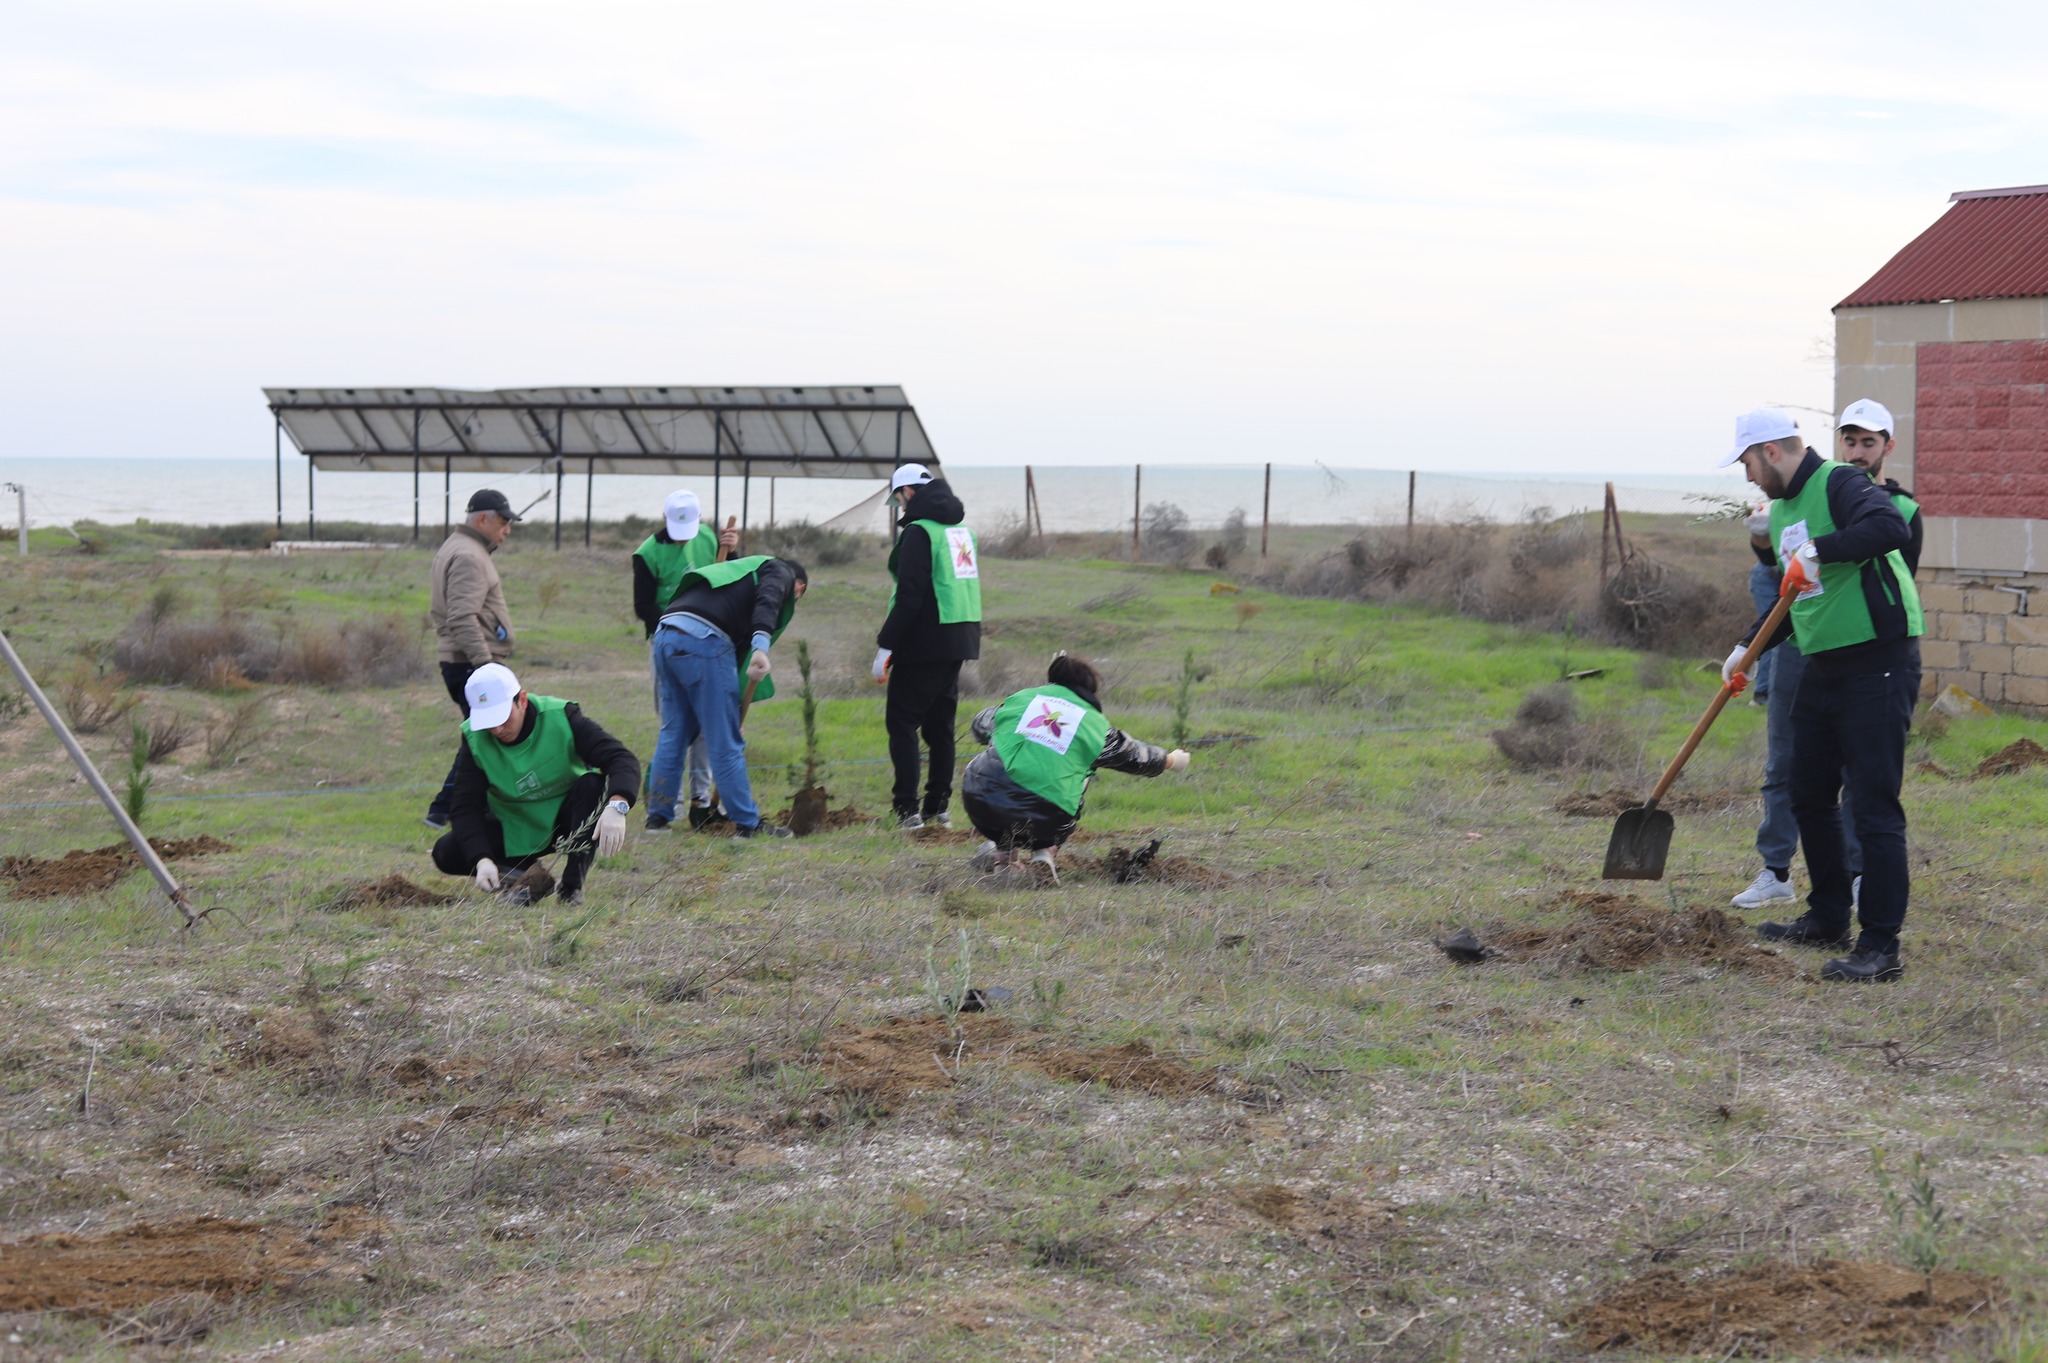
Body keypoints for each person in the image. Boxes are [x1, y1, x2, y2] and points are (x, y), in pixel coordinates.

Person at [1718, 408, 1922, 982]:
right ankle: (1829, 914)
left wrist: (1820, 551)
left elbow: (1890, 529)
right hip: (1824, 663)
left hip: (1879, 661)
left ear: (1774, 451)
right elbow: (1794, 599)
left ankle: (1880, 946)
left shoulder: (1841, 481)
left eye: (1749, 463)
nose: (1749, 477)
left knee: (1874, 806)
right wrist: (1746, 649)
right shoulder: (1783, 510)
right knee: (1808, 792)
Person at [961, 652, 1191, 881]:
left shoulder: (1023, 699)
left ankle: (1002, 857)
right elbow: (1135, 756)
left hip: (980, 799)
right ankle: (1043, 855)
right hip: (1045, 816)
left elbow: (981, 723)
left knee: (996, 762)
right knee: (1079, 777)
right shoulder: (1094, 724)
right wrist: (1171, 760)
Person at [430, 663, 640, 906]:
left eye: (503, 718)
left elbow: (621, 758)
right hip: (515, 828)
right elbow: (465, 805)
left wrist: (618, 804)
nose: (497, 730)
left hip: (566, 821)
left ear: (522, 700)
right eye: (488, 722)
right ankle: (531, 877)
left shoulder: (560, 716)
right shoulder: (475, 738)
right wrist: (482, 859)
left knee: (593, 785)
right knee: (447, 851)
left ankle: (571, 889)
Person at [646, 554, 808, 839]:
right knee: (724, 738)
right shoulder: (779, 571)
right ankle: (748, 825)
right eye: (797, 595)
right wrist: (761, 647)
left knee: (674, 733)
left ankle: (656, 821)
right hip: (704, 640)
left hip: (666, 634)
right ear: (798, 586)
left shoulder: (741, 574)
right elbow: (768, 601)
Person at [872, 462, 982, 831]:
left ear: (907, 493)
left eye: (900, 498)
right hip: (960, 637)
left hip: (925, 641)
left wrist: (886, 646)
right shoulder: (962, 530)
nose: (901, 507)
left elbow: (910, 596)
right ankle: (938, 808)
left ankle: (908, 811)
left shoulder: (920, 532)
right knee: (939, 728)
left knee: (901, 722)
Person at [633, 490, 739, 830]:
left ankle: (701, 798)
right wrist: (681, 619)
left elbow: (729, 576)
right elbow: (643, 606)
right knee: (673, 723)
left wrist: (734, 549)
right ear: (665, 519)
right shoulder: (647, 554)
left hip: (709, 643)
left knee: (707, 723)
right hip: (667, 644)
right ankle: (669, 804)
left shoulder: (709, 537)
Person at [424, 489, 521, 829]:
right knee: (486, 737)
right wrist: (486, 666)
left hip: (464, 662)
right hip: (471, 663)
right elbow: (462, 617)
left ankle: (452, 808)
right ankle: (448, 808)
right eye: (504, 521)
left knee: (481, 736)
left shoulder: (461, 547)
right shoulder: (469, 555)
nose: (507, 529)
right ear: (483, 518)